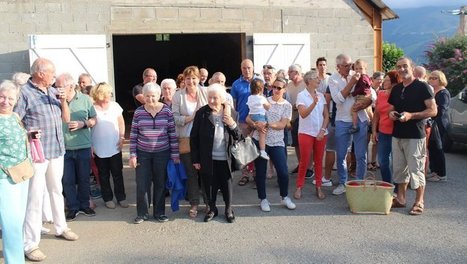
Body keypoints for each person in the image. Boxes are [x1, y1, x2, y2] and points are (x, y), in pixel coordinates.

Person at [14, 58, 77, 262]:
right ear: (40, 73)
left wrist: (63, 100)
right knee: (35, 196)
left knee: (56, 190)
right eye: (51, 72)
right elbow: (15, 121)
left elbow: (66, 119)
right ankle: (30, 244)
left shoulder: (52, 91)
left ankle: (61, 227)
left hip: (56, 149)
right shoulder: (24, 93)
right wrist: (28, 134)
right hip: (37, 153)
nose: (54, 75)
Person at [389, 57, 437, 215]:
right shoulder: (396, 89)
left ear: (412, 67)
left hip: (415, 135)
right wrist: (392, 114)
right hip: (397, 134)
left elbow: (433, 110)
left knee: (416, 170)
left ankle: (419, 201)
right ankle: (401, 199)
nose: (402, 69)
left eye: (405, 66)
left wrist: (412, 115)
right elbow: (392, 108)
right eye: (399, 67)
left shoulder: (423, 87)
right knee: (399, 169)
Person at [129, 82, 179, 224]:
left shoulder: (166, 111)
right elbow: (133, 134)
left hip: (162, 153)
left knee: (160, 184)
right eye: (147, 96)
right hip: (143, 153)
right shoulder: (138, 112)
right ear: (143, 97)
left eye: (153, 96)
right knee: (142, 184)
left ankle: (159, 213)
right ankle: (142, 213)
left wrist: (175, 155)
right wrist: (133, 155)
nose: (150, 99)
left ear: (159, 95)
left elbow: (172, 134)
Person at [190, 84, 241, 223]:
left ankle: (228, 209)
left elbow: (239, 136)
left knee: (227, 185)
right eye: (209, 97)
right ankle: (212, 209)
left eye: (215, 98)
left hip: (226, 158)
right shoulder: (202, 113)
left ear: (222, 98)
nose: (212, 101)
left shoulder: (232, 113)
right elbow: (194, 137)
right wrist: (195, 159)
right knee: (209, 185)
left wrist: (232, 124)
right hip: (208, 158)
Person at [247, 77, 296, 212]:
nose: (275, 90)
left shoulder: (287, 105)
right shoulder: (262, 99)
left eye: (278, 88)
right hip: (260, 140)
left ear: (284, 90)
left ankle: (284, 197)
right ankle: (263, 199)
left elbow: (282, 125)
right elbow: (248, 117)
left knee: (283, 172)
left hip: (277, 142)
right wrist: (255, 125)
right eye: (273, 87)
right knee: (261, 172)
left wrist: (267, 124)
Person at [329, 54, 374, 195]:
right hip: (342, 120)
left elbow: (372, 95)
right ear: (338, 67)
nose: (350, 68)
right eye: (346, 65)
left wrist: (365, 103)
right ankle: (343, 183)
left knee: (361, 154)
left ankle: (360, 182)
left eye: (350, 64)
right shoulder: (333, 79)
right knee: (341, 155)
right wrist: (351, 83)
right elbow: (338, 100)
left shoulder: (359, 73)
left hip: (360, 119)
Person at [57, 73, 97, 221]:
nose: (58, 89)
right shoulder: (55, 100)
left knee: (84, 178)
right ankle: (72, 208)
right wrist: (62, 101)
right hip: (64, 147)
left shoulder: (85, 99)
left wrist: (83, 124)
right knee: (67, 180)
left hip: (83, 145)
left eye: (61, 86)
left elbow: (94, 119)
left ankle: (84, 205)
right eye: (57, 86)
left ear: (71, 86)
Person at [0, 80, 30, 264]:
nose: (6, 101)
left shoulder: (14, 117)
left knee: (17, 222)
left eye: (10, 98)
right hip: (4, 176)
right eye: (2, 97)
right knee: (10, 225)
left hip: (21, 174)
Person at [172, 66, 208, 218]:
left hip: (205, 139)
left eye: (194, 78)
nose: (191, 81)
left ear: (199, 79)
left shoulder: (206, 93)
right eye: (188, 78)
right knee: (191, 173)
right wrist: (191, 118)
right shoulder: (178, 96)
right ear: (184, 80)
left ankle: (209, 202)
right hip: (186, 140)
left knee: (206, 173)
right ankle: (194, 203)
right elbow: (174, 117)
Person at [90, 82, 128, 209]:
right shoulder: (92, 107)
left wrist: (122, 137)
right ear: (101, 94)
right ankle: (108, 198)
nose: (110, 94)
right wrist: (90, 145)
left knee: (117, 173)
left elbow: (121, 122)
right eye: (108, 92)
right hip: (98, 147)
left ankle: (121, 197)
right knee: (103, 174)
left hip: (114, 145)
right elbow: (88, 129)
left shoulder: (115, 106)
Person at [294, 70, 329, 200]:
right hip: (306, 132)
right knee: (304, 160)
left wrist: (322, 130)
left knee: (319, 161)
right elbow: (303, 114)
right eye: (316, 78)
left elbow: (326, 116)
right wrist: (314, 103)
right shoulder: (301, 96)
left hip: (320, 133)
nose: (319, 80)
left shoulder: (321, 95)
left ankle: (318, 186)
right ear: (308, 81)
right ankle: (299, 186)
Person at [231, 59, 256, 186]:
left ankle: (256, 174)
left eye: (249, 67)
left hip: (257, 122)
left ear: (253, 68)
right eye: (244, 68)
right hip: (242, 122)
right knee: (244, 149)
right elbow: (234, 105)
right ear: (241, 69)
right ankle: (245, 174)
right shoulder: (236, 84)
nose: (247, 70)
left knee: (256, 148)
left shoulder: (259, 82)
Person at [371, 70, 399, 184]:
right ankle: (387, 184)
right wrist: (374, 131)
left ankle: (398, 188)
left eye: (387, 80)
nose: (383, 82)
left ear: (394, 82)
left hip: (397, 133)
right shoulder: (381, 94)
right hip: (383, 133)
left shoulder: (399, 95)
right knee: (383, 161)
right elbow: (376, 114)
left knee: (397, 163)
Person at [286, 64, 313, 177]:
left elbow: (311, 99)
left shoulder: (305, 84)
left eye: (290, 71)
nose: (288, 73)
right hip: (293, 118)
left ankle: (309, 167)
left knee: (307, 144)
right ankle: (301, 165)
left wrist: (297, 106)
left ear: (296, 73)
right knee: (296, 143)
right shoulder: (289, 85)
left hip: (305, 117)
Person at [427, 70, 450, 182]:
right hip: (432, 122)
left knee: (438, 147)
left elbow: (442, 109)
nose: (431, 80)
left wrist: (432, 107)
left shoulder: (443, 93)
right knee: (431, 147)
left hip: (440, 123)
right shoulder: (432, 91)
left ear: (440, 79)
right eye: (430, 78)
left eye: (434, 78)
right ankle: (434, 170)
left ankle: (441, 174)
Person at [313, 57, 333, 187]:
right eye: (320, 64)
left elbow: (329, 98)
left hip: (328, 114)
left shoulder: (330, 80)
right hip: (314, 115)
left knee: (328, 146)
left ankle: (326, 174)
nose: (322, 66)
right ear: (317, 66)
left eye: (324, 64)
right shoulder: (314, 80)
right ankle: (317, 172)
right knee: (317, 146)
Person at [247, 78, 270, 160]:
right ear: (262, 89)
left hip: (252, 116)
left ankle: (248, 143)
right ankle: (263, 151)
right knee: (262, 134)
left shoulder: (250, 97)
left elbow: (249, 106)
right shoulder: (262, 98)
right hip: (260, 116)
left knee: (253, 131)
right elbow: (268, 107)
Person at [367, 71, 385, 171]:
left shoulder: (382, 90)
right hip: (370, 115)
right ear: (372, 79)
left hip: (379, 117)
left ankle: (373, 161)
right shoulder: (369, 90)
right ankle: (367, 161)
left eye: (382, 80)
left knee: (375, 141)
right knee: (367, 140)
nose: (380, 82)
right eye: (379, 80)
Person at [348, 59, 372, 134]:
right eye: (356, 69)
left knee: (353, 110)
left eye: (361, 68)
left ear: (365, 68)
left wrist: (353, 93)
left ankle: (355, 126)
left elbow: (361, 88)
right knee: (368, 109)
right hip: (367, 96)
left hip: (362, 96)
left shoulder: (362, 78)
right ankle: (371, 123)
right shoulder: (366, 77)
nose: (358, 70)